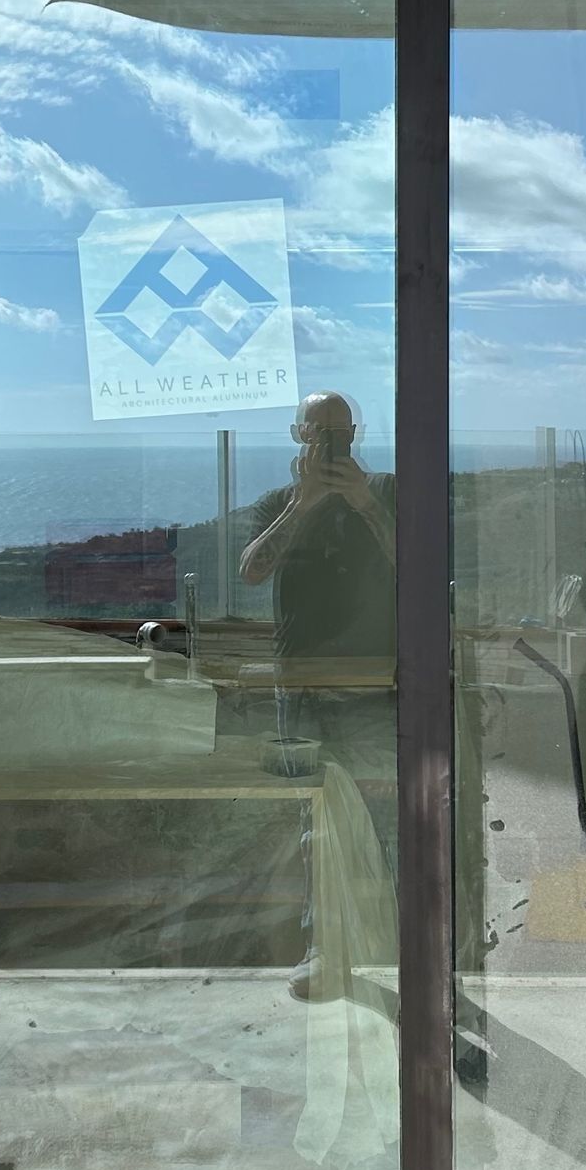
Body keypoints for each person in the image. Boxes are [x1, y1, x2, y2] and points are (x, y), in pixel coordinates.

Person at [240, 392, 397, 996]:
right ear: (297, 435)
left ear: (355, 434)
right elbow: (253, 569)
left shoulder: (384, 491)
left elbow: (420, 564)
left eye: (338, 432)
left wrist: (363, 503)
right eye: (317, 432)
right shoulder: (278, 504)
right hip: (300, 686)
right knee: (313, 825)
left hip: (375, 685)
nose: (328, 442)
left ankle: (392, 945)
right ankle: (323, 950)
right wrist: (302, 507)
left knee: (384, 820)